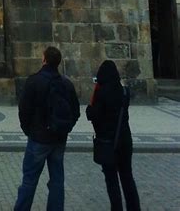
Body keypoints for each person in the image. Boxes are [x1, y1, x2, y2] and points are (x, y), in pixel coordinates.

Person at [14, 46, 80, 211]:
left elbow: (24, 110)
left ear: (44, 60)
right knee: (57, 180)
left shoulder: (34, 81)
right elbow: (76, 111)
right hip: (59, 139)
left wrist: (29, 130)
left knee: (29, 180)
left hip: (38, 138)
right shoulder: (66, 83)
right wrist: (65, 128)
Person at [86, 61, 141, 211]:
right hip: (125, 140)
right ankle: (134, 207)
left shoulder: (102, 92)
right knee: (127, 177)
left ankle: (116, 208)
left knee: (112, 180)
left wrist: (90, 107)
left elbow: (93, 115)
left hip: (108, 142)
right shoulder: (125, 92)